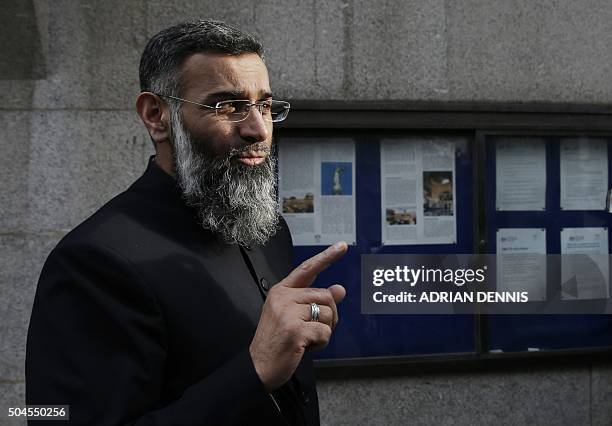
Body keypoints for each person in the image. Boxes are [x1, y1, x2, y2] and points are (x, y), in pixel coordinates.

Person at [26, 19, 347, 425]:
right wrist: (254, 370)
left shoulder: (269, 230)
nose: (258, 129)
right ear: (156, 115)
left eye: (265, 105)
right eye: (228, 105)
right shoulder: (92, 262)